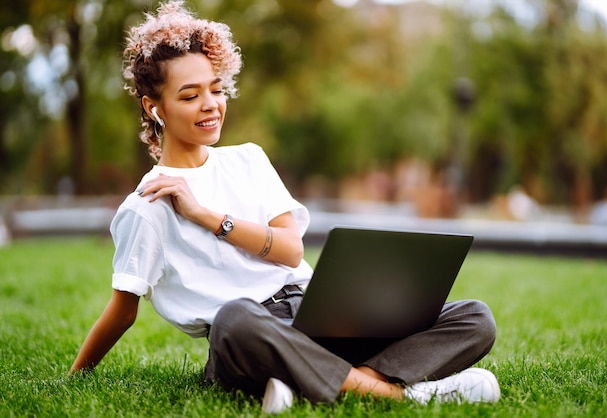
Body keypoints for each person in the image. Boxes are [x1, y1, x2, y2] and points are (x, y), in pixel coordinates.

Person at [69, 1, 500, 413]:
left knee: (475, 318)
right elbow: (123, 310)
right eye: (189, 96)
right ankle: (397, 395)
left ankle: (307, 383)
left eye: (216, 90)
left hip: (321, 316)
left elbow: (291, 251)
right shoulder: (146, 206)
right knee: (233, 318)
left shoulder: (249, 159)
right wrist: (73, 378)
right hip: (248, 339)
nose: (210, 106)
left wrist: (205, 215)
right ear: (154, 107)